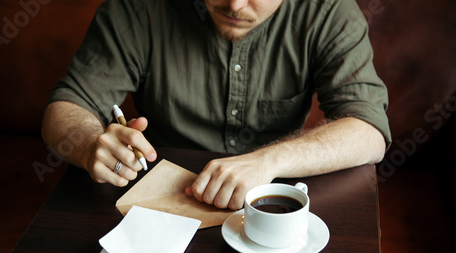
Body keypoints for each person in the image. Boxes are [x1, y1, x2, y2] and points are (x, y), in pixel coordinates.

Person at [42, 0, 391, 210]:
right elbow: (68, 104)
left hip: (272, 205)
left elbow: (369, 130)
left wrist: (268, 160)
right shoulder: (139, 7)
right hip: (156, 202)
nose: (235, 5)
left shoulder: (328, 11)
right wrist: (89, 145)